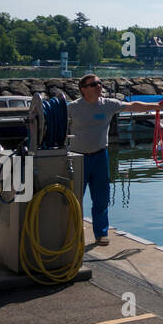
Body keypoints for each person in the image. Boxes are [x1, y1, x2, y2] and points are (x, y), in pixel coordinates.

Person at [67, 74, 128, 246]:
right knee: (75, 198)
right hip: (78, 158)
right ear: (83, 89)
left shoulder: (108, 105)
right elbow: (52, 119)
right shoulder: (73, 108)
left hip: (100, 157)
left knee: (101, 198)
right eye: (93, 84)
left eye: (100, 83)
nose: (98, 86)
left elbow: (132, 106)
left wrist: (158, 106)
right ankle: (72, 232)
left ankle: (101, 233)